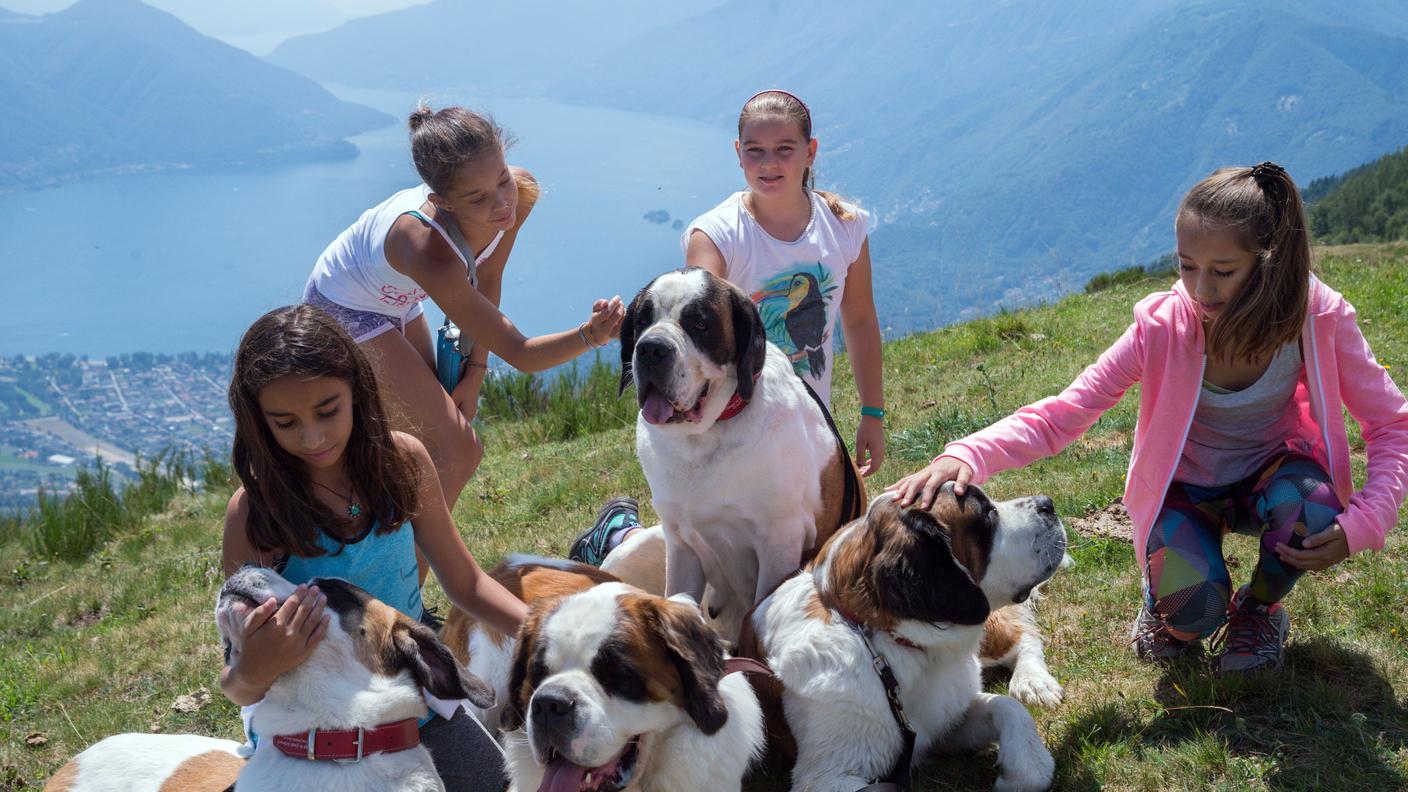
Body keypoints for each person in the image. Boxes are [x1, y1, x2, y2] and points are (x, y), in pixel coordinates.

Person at [888, 162, 1408, 673]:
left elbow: (1392, 424)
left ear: (1269, 263)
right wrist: (966, 453)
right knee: (1191, 615)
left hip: (1272, 480)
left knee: (1311, 512)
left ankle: (1260, 610)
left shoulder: (1319, 319)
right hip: (1182, 492)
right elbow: (1063, 414)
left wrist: (1368, 520)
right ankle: (1170, 599)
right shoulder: (1161, 327)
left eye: (1223, 272)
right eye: (1186, 265)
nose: (1200, 290)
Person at [569, 89, 886, 566]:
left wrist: (872, 413)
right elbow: (691, 316)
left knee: (814, 551)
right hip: (727, 426)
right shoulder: (716, 234)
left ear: (811, 152)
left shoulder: (844, 227)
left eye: (785, 149)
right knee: (710, 547)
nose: (769, 163)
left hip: (796, 425)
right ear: (738, 154)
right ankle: (617, 537)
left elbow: (859, 321)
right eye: (755, 150)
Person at [218, 305, 527, 790]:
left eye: (327, 411)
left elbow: (465, 583)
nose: (313, 436)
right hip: (309, 729)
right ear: (258, 421)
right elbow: (237, 684)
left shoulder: (403, 462)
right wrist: (258, 667)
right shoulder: (253, 515)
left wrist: (542, 632)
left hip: (410, 703)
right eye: (285, 422)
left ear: (357, 392)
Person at [303, 103, 624, 522]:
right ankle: (404, 577)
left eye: (502, 179)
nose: (502, 203)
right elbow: (522, 353)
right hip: (343, 309)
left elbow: (487, 276)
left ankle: (382, 544)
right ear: (441, 201)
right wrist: (592, 335)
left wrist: (474, 376)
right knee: (455, 450)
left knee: (416, 445)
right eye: (477, 197)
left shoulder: (519, 194)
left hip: (395, 298)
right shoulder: (426, 249)